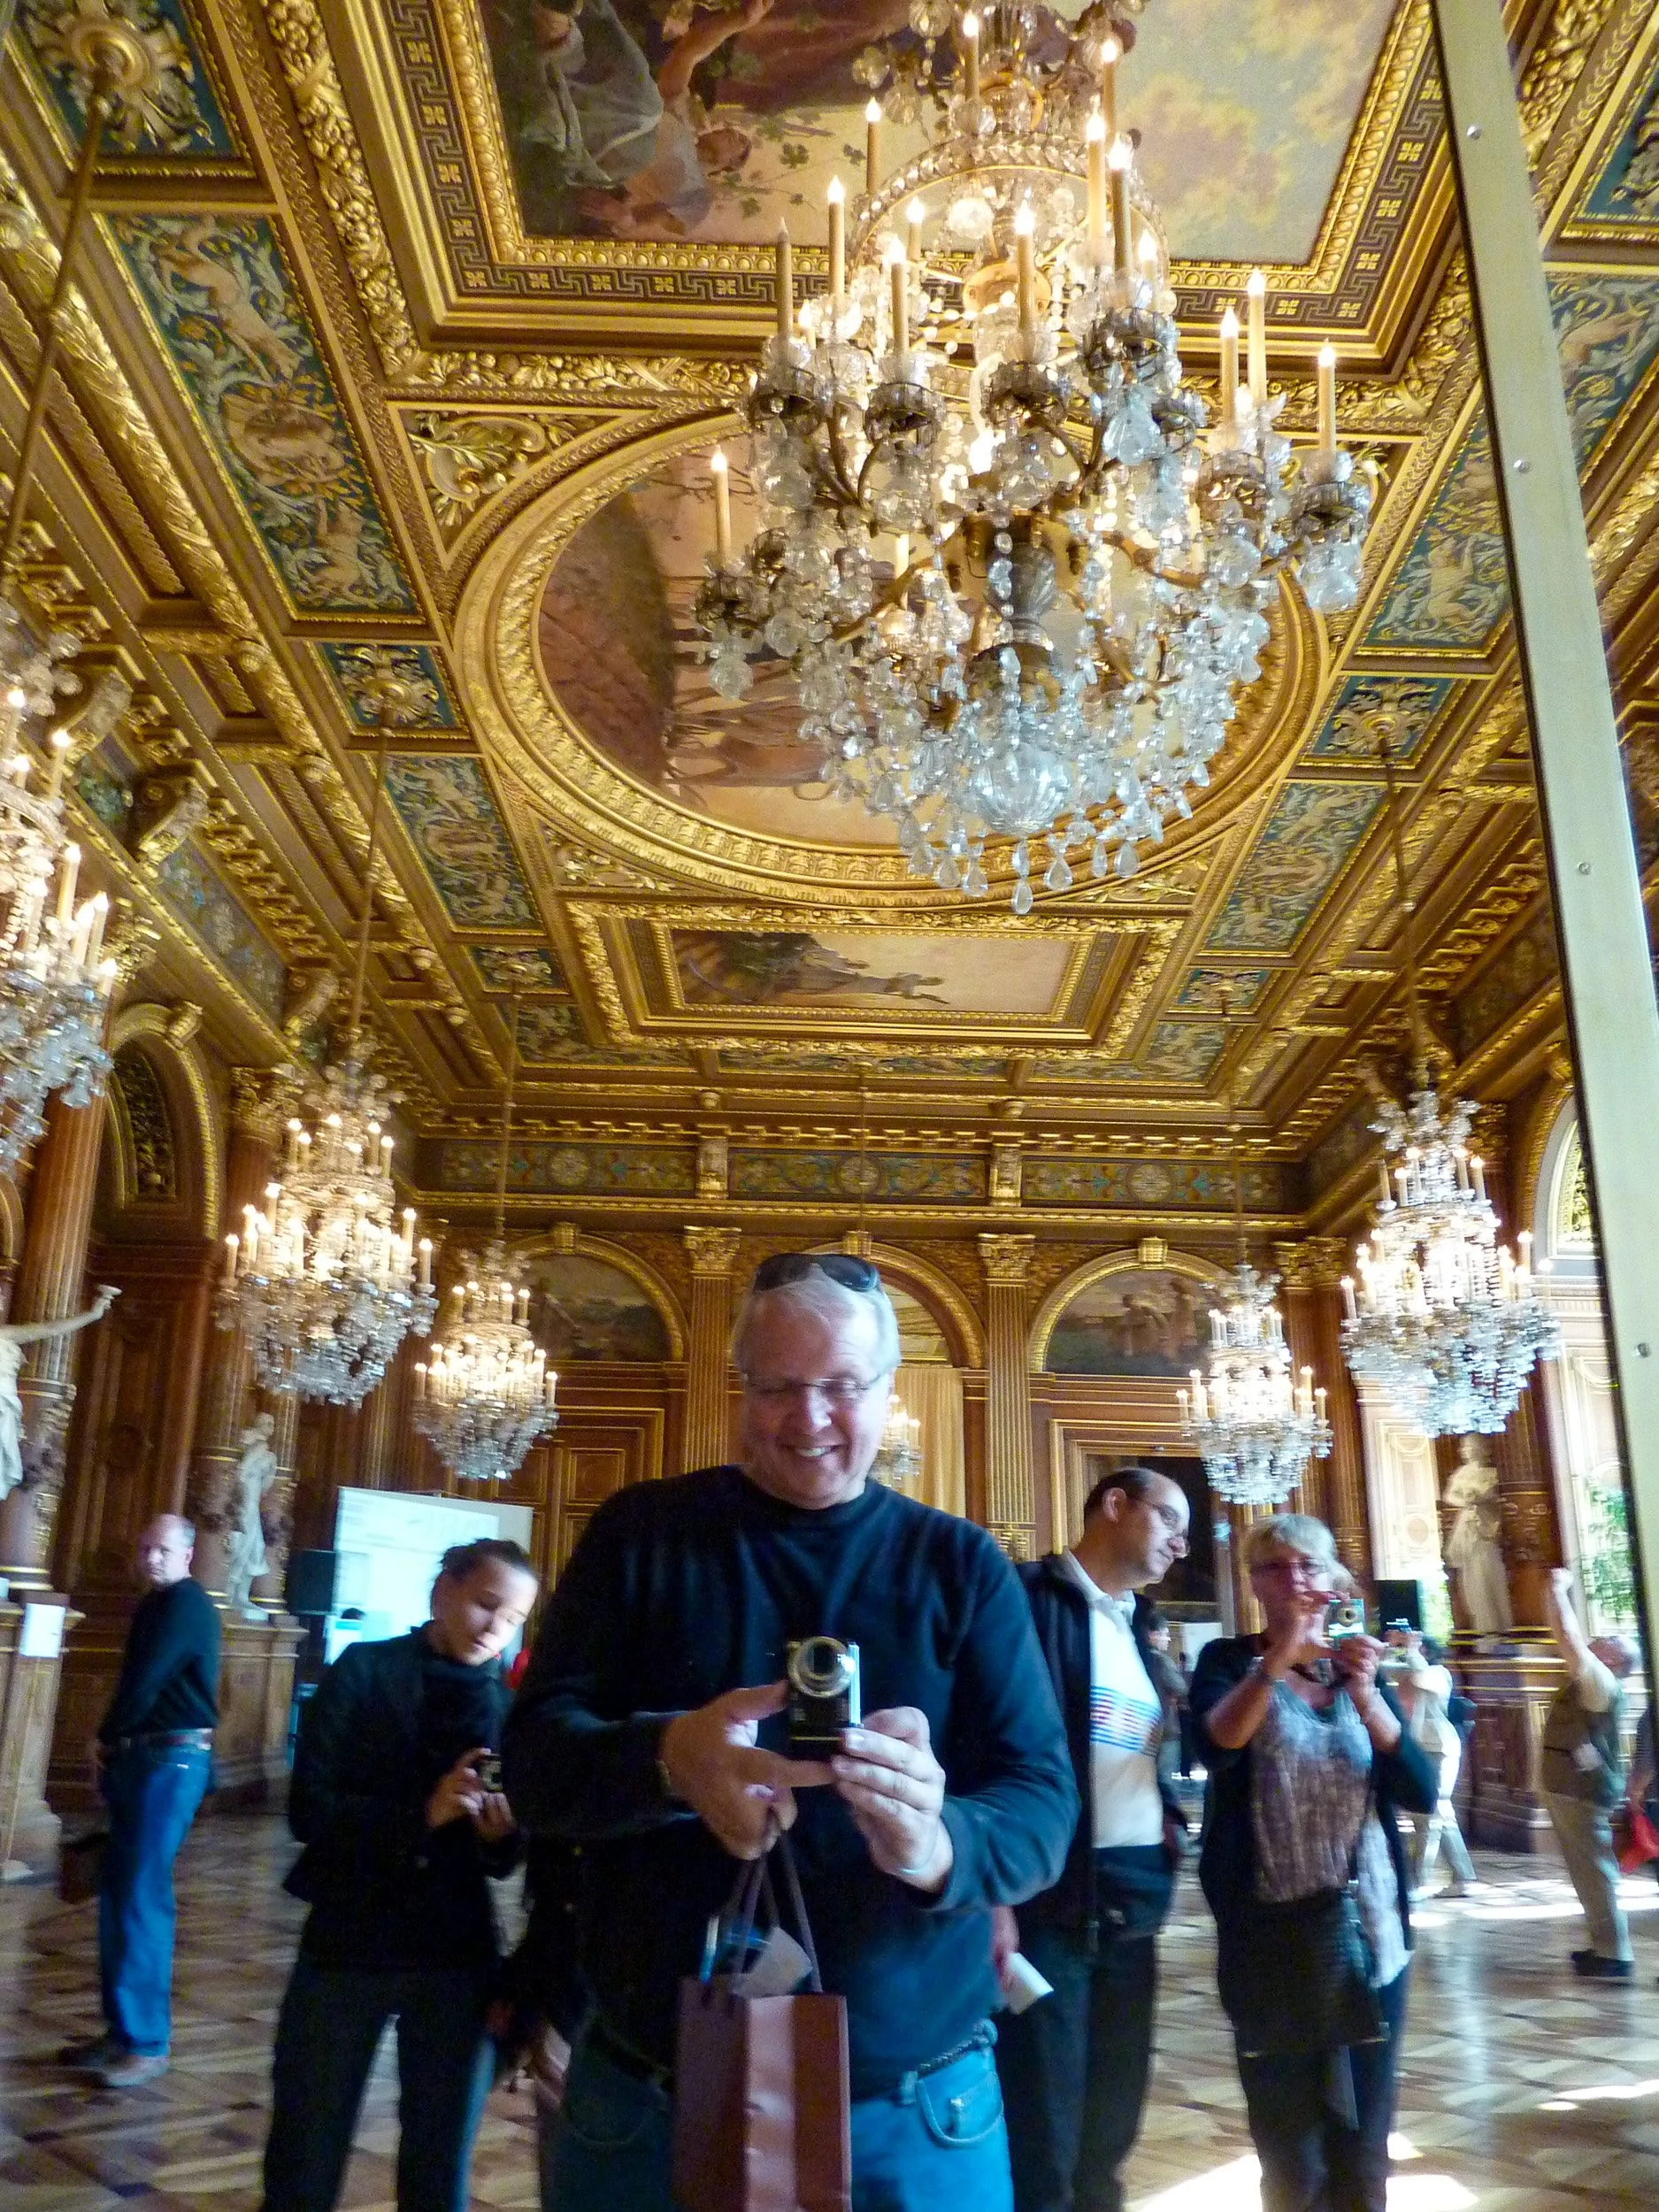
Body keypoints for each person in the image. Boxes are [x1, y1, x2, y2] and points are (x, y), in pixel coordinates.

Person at [503, 1251, 1078, 2212]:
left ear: (889, 1392)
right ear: (741, 1387)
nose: (809, 1419)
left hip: (913, 2107)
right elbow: (532, 1765)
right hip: (652, 2089)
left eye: (842, 1387)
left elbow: (1042, 1809)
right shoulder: (638, 1534)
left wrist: (938, 1842)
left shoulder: (963, 1565)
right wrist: (667, 1758)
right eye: (778, 1386)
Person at [260, 1538, 541, 2212]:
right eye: (484, 1605)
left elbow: (502, 1860)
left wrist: (500, 1837)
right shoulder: (363, 1670)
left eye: (512, 1619)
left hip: (456, 1953)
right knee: (306, 2146)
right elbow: (310, 1810)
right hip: (348, 1941)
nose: (494, 1629)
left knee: (440, 2161)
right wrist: (425, 1811)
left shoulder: (510, 1714)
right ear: (441, 1591)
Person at [1190, 1515, 1436, 2212]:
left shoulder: (1358, 1667)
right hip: (1270, 1937)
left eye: (1307, 1565)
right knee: (1289, 2148)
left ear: (1331, 1580)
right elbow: (1215, 1748)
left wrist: (1365, 1694)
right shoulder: (1225, 1661)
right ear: (1254, 1583)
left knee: (1363, 2142)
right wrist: (1274, 1662)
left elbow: (1416, 1789)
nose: (1292, 1579)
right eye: (1273, 1567)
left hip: (1370, 1934)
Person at [992, 1467, 1192, 2212]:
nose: (1180, 1540)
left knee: (1113, 2116)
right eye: (1169, 1517)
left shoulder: (1139, 1626)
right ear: (1114, 1506)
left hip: (1133, 1900)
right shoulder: (1023, 1598)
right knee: (1044, 2121)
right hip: (1049, 1896)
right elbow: (982, 1747)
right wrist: (995, 1893)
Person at [65, 1514, 219, 2088]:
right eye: (145, 1548)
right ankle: (122, 2032)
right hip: (149, 1758)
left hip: (167, 1761)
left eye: (162, 1549)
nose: (151, 1557)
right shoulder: (160, 1604)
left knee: (140, 1897)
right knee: (122, 1892)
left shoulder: (184, 1604)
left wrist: (103, 1737)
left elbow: (145, 1682)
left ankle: (147, 2041)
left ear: (187, 1553)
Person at [1540, 1564, 1636, 1980]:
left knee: (1595, 1872)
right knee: (1586, 1871)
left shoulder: (1601, 1681)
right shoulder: (1594, 1678)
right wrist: (1551, 1591)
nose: (1599, 1639)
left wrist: (1558, 1589)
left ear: (1614, 1660)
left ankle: (1616, 1954)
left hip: (1583, 1791)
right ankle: (1604, 1946)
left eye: (1609, 1640)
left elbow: (1569, 1637)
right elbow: (1566, 1636)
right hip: (1572, 1789)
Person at [1380, 1631, 1477, 1900]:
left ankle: (1417, 1883)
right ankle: (1463, 1878)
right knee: (1440, 1814)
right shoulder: (1406, 1672)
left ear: (1425, 1652)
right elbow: (1384, 1672)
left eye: (1416, 1649)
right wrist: (1389, 1647)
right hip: (1420, 1748)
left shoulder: (1439, 1673)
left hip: (1440, 1748)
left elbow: (1423, 1678)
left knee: (1429, 1814)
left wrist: (1410, 1650)